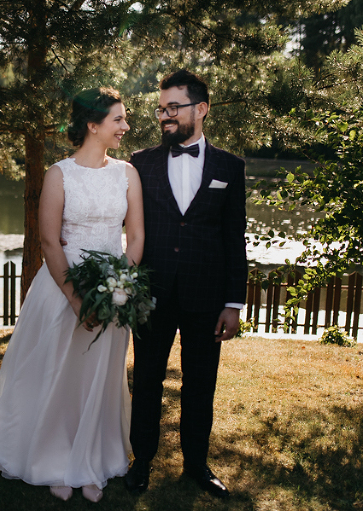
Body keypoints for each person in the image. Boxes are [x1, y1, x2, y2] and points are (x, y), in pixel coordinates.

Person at [0, 87, 144, 503]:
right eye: (118, 119)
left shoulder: (128, 173)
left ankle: (91, 459)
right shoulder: (59, 174)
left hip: (112, 290)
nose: (126, 127)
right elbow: (49, 242)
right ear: (93, 125)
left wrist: (117, 288)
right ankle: (53, 459)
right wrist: (77, 299)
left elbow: (136, 237)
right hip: (62, 287)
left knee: (97, 377)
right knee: (57, 373)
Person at [124, 70, 247, 498]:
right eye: (161, 108)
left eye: (173, 107)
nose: (165, 116)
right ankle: (141, 461)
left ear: (201, 109)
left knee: (200, 385)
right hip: (152, 295)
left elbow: (234, 238)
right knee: (147, 382)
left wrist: (233, 303)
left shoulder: (230, 166)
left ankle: (196, 464)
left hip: (206, 298)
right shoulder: (139, 163)